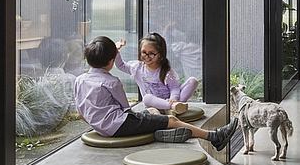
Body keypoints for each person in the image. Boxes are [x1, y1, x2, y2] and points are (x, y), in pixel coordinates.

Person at [74, 35, 237, 147]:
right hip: (118, 125)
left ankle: (160, 129)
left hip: (100, 126)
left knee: (151, 113)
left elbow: (81, 110)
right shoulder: (112, 82)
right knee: (171, 121)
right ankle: (214, 137)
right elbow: (125, 109)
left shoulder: (79, 79)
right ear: (111, 61)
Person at [114, 32, 199, 114]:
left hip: (170, 101)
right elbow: (121, 65)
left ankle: (176, 107)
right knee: (147, 98)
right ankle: (173, 108)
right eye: (144, 52)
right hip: (154, 105)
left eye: (151, 53)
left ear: (160, 55)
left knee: (193, 81)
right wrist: (116, 51)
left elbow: (174, 88)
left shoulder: (166, 71)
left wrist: (174, 98)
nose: (147, 56)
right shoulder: (137, 68)